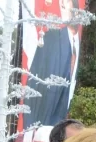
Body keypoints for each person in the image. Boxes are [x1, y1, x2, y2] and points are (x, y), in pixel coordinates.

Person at [23, 0, 79, 129]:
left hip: (62, 125)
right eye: (61, 4)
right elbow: (32, 83)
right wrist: (29, 130)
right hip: (41, 125)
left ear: (76, 11)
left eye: (66, 3)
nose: (62, 6)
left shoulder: (77, 45)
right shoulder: (50, 38)